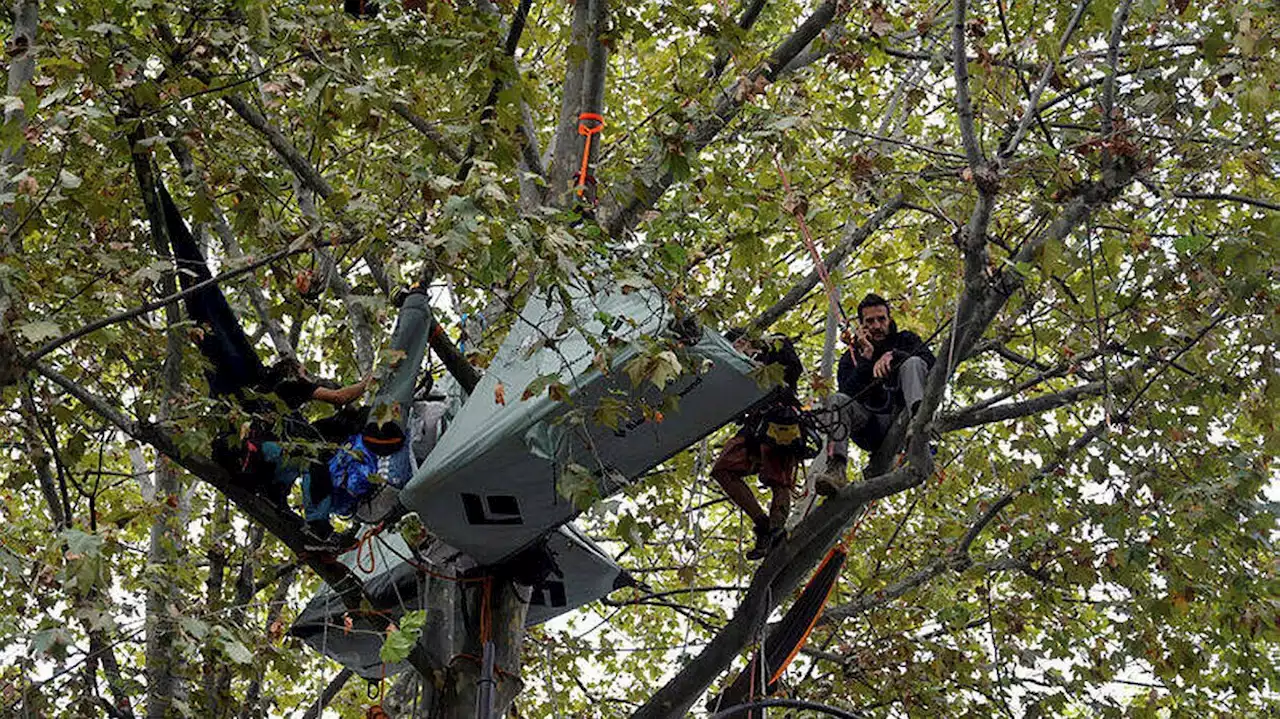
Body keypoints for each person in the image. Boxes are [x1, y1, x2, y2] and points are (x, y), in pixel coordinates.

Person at [809, 293, 935, 496]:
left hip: (903, 413)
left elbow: (932, 364)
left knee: (913, 362)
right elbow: (846, 397)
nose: (877, 325)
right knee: (836, 401)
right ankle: (836, 468)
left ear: (889, 319)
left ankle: (918, 426)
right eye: (870, 321)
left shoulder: (906, 339)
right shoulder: (850, 358)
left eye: (881, 319)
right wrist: (866, 359)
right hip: (871, 427)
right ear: (861, 325)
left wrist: (894, 356)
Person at [711, 331, 813, 560]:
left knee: (778, 478)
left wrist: (766, 348)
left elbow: (793, 368)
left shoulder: (772, 348)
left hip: (781, 417)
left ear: (746, 340)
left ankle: (776, 532)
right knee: (723, 469)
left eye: (738, 343)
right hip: (754, 424)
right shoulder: (733, 371)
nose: (737, 347)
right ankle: (763, 526)